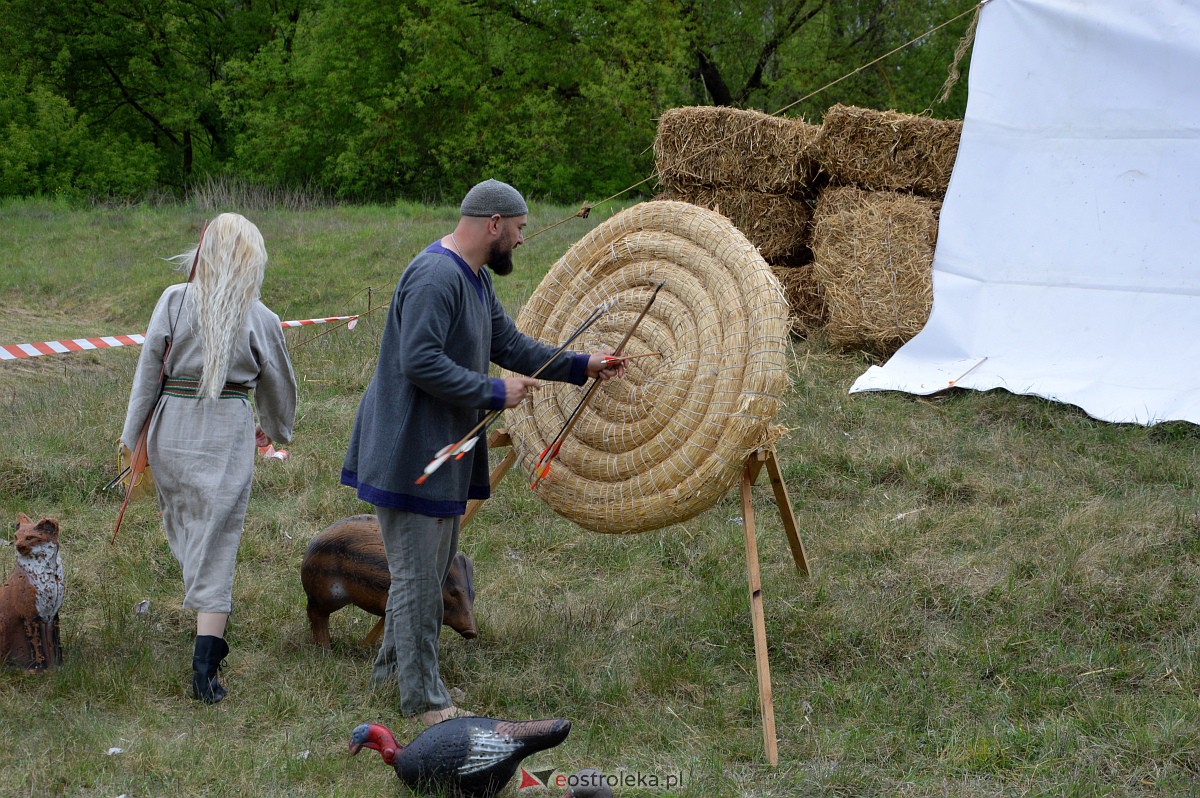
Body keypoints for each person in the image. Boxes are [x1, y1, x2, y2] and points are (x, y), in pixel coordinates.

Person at [341, 179, 623, 726]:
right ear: (494, 223)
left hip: (439, 450)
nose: (521, 240)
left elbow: (511, 346)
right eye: (518, 230)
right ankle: (423, 700)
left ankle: (391, 674)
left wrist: (582, 365)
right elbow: (419, 361)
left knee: (425, 572)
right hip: (409, 455)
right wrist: (495, 392)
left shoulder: (473, 279)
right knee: (422, 580)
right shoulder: (435, 277)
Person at [121, 212, 297, 704]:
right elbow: (279, 383)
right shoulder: (259, 317)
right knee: (215, 542)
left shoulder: (174, 302)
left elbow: (146, 374)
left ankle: (207, 647)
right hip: (225, 433)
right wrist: (278, 429)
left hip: (171, 429)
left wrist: (133, 436)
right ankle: (205, 668)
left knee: (194, 529)